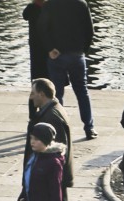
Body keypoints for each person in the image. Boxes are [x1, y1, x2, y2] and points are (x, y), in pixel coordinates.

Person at [26, 80, 75, 201]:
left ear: (42, 94)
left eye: (33, 93)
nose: (30, 97)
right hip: (52, 175)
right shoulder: (51, 110)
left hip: (50, 177)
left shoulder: (51, 116)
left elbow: (56, 151)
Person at [38, 0, 95, 140]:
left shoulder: (51, 4)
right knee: (82, 92)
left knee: (57, 94)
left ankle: (59, 129)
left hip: (57, 55)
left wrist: (50, 48)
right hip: (77, 54)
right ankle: (89, 128)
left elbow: (41, 28)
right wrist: (83, 50)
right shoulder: (81, 4)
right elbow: (90, 30)